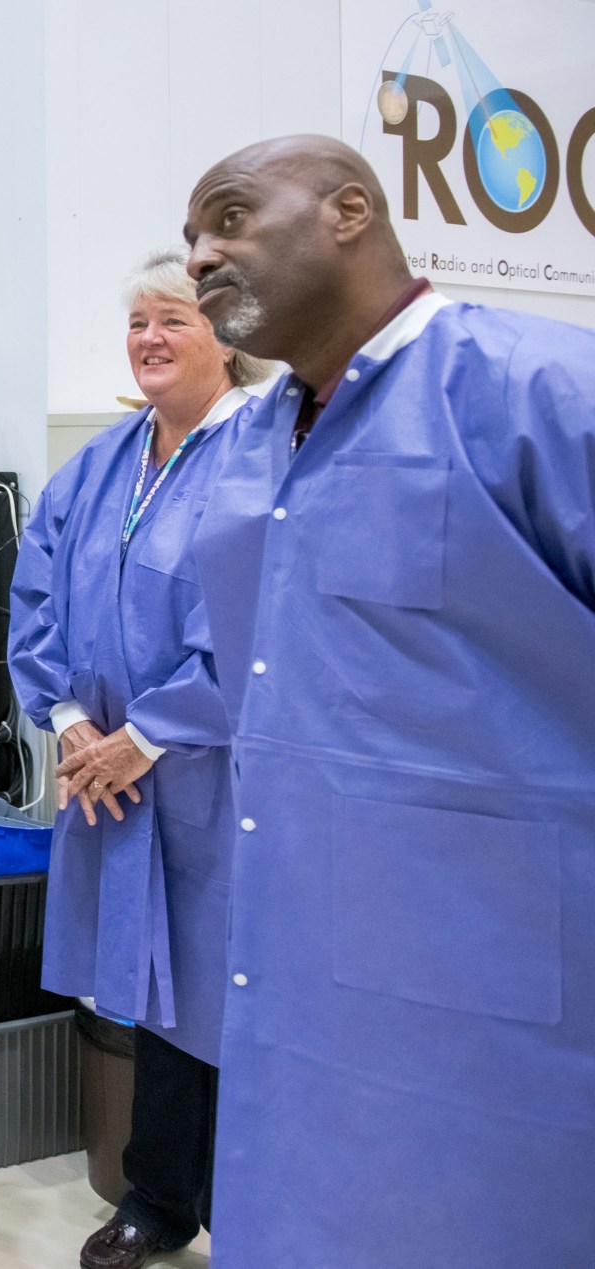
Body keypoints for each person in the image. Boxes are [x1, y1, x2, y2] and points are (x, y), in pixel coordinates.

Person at [180, 135, 595, 1267]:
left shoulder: (536, 390)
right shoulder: (251, 445)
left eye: (226, 218)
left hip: (499, 1000)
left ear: (347, 211)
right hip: (294, 966)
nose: (200, 257)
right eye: (188, 244)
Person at [9, 250, 266, 1269]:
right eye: (136, 325)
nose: (149, 340)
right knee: (156, 1002)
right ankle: (156, 1202)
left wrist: (149, 735)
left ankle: (255, 1215)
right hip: (105, 784)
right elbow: (36, 595)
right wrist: (69, 721)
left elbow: (253, 623)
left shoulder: (258, 456)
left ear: (226, 339)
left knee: (231, 997)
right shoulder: (103, 463)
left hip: (216, 783)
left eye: (173, 322)